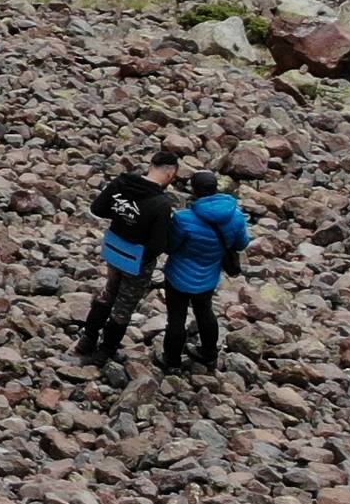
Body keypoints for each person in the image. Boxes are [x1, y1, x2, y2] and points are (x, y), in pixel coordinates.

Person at [77, 153, 176, 373]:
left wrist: (122, 217)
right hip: (136, 260)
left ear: (150, 165)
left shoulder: (121, 182)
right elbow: (158, 244)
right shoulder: (161, 203)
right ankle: (105, 351)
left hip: (113, 250)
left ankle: (87, 339)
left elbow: (97, 208)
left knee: (107, 294)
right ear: (170, 173)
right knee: (123, 307)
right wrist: (142, 255)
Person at [160, 169, 253, 376]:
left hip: (178, 275)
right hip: (209, 275)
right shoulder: (235, 216)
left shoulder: (184, 219)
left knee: (176, 318)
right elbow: (242, 243)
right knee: (205, 312)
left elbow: (171, 247)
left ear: (194, 190)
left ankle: (172, 361)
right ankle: (209, 354)